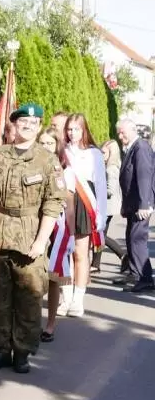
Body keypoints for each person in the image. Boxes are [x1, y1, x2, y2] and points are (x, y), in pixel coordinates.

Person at [0, 103, 66, 374]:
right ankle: (0, 349)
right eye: (22, 123)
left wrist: (41, 241)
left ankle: (22, 352)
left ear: (39, 127)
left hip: (30, 235)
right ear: (14, 126)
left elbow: (53, 203)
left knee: (29, 298)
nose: (27, 127)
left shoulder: (47, 160)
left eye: (33, 123)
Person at [57, 114, 106, 317]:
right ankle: (66, 297)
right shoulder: (62, 150)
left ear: (84, 130)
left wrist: (101, 214)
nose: (72, 133)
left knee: (80, 252)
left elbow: (100, 184)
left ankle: (78, 299)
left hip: (85, 204)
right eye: (69, 129)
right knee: (64, 251)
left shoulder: (94, 153)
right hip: (65, 202)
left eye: (76, 129)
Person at [38, 128, 74, 341]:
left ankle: (50, 323)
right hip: (34, 224)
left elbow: (69, 206)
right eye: (42, 143)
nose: (45, 147)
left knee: (53, 278)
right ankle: (29, 322)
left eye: (49, 143)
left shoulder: (65, 171)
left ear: (57, 147)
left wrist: (70, 235)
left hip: (56, 227)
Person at [116, 118, 154, 292]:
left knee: (136, 238)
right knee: (131, 237)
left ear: (132, 130)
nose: (119, 136)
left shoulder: (141, 147)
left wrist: (144, 204)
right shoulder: (133, 147)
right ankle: (134, 274)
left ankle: (145, 278)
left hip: (141, 204)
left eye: (122, 132)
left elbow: (144, 176)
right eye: (118, 132)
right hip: (133, 204)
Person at [91, 139, 126, 273]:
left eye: (104, 152)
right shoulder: (106, 166)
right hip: (106, 207)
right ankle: (96, 264)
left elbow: (110, 189)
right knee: (100, 234)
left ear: (112, 154)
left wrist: (94, 191)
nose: (101, 154)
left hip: (107, 207)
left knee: (99, 235)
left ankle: (123, 255)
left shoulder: (111, 168)